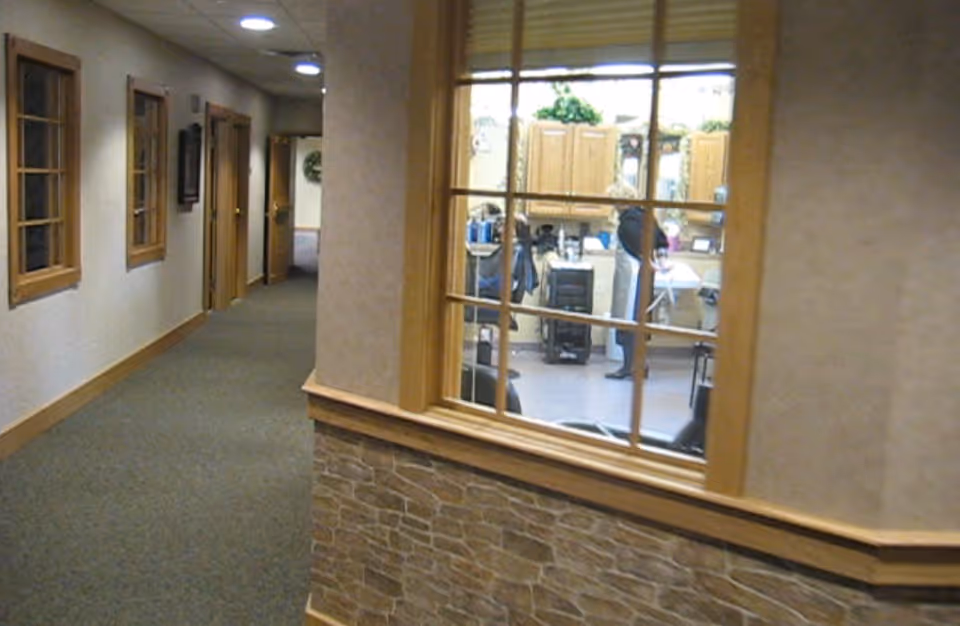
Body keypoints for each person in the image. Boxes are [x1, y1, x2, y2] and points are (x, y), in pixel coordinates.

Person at [606, 205, 668, 380]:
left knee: (628, 321)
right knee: (639, 320)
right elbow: (660, 240)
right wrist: (661, 261)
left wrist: (649, 260)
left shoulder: (627, 223)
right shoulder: (647, 216)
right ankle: (639, 364)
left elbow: (639, 247)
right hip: (645, 276)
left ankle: (631, 366)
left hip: (631, 277)